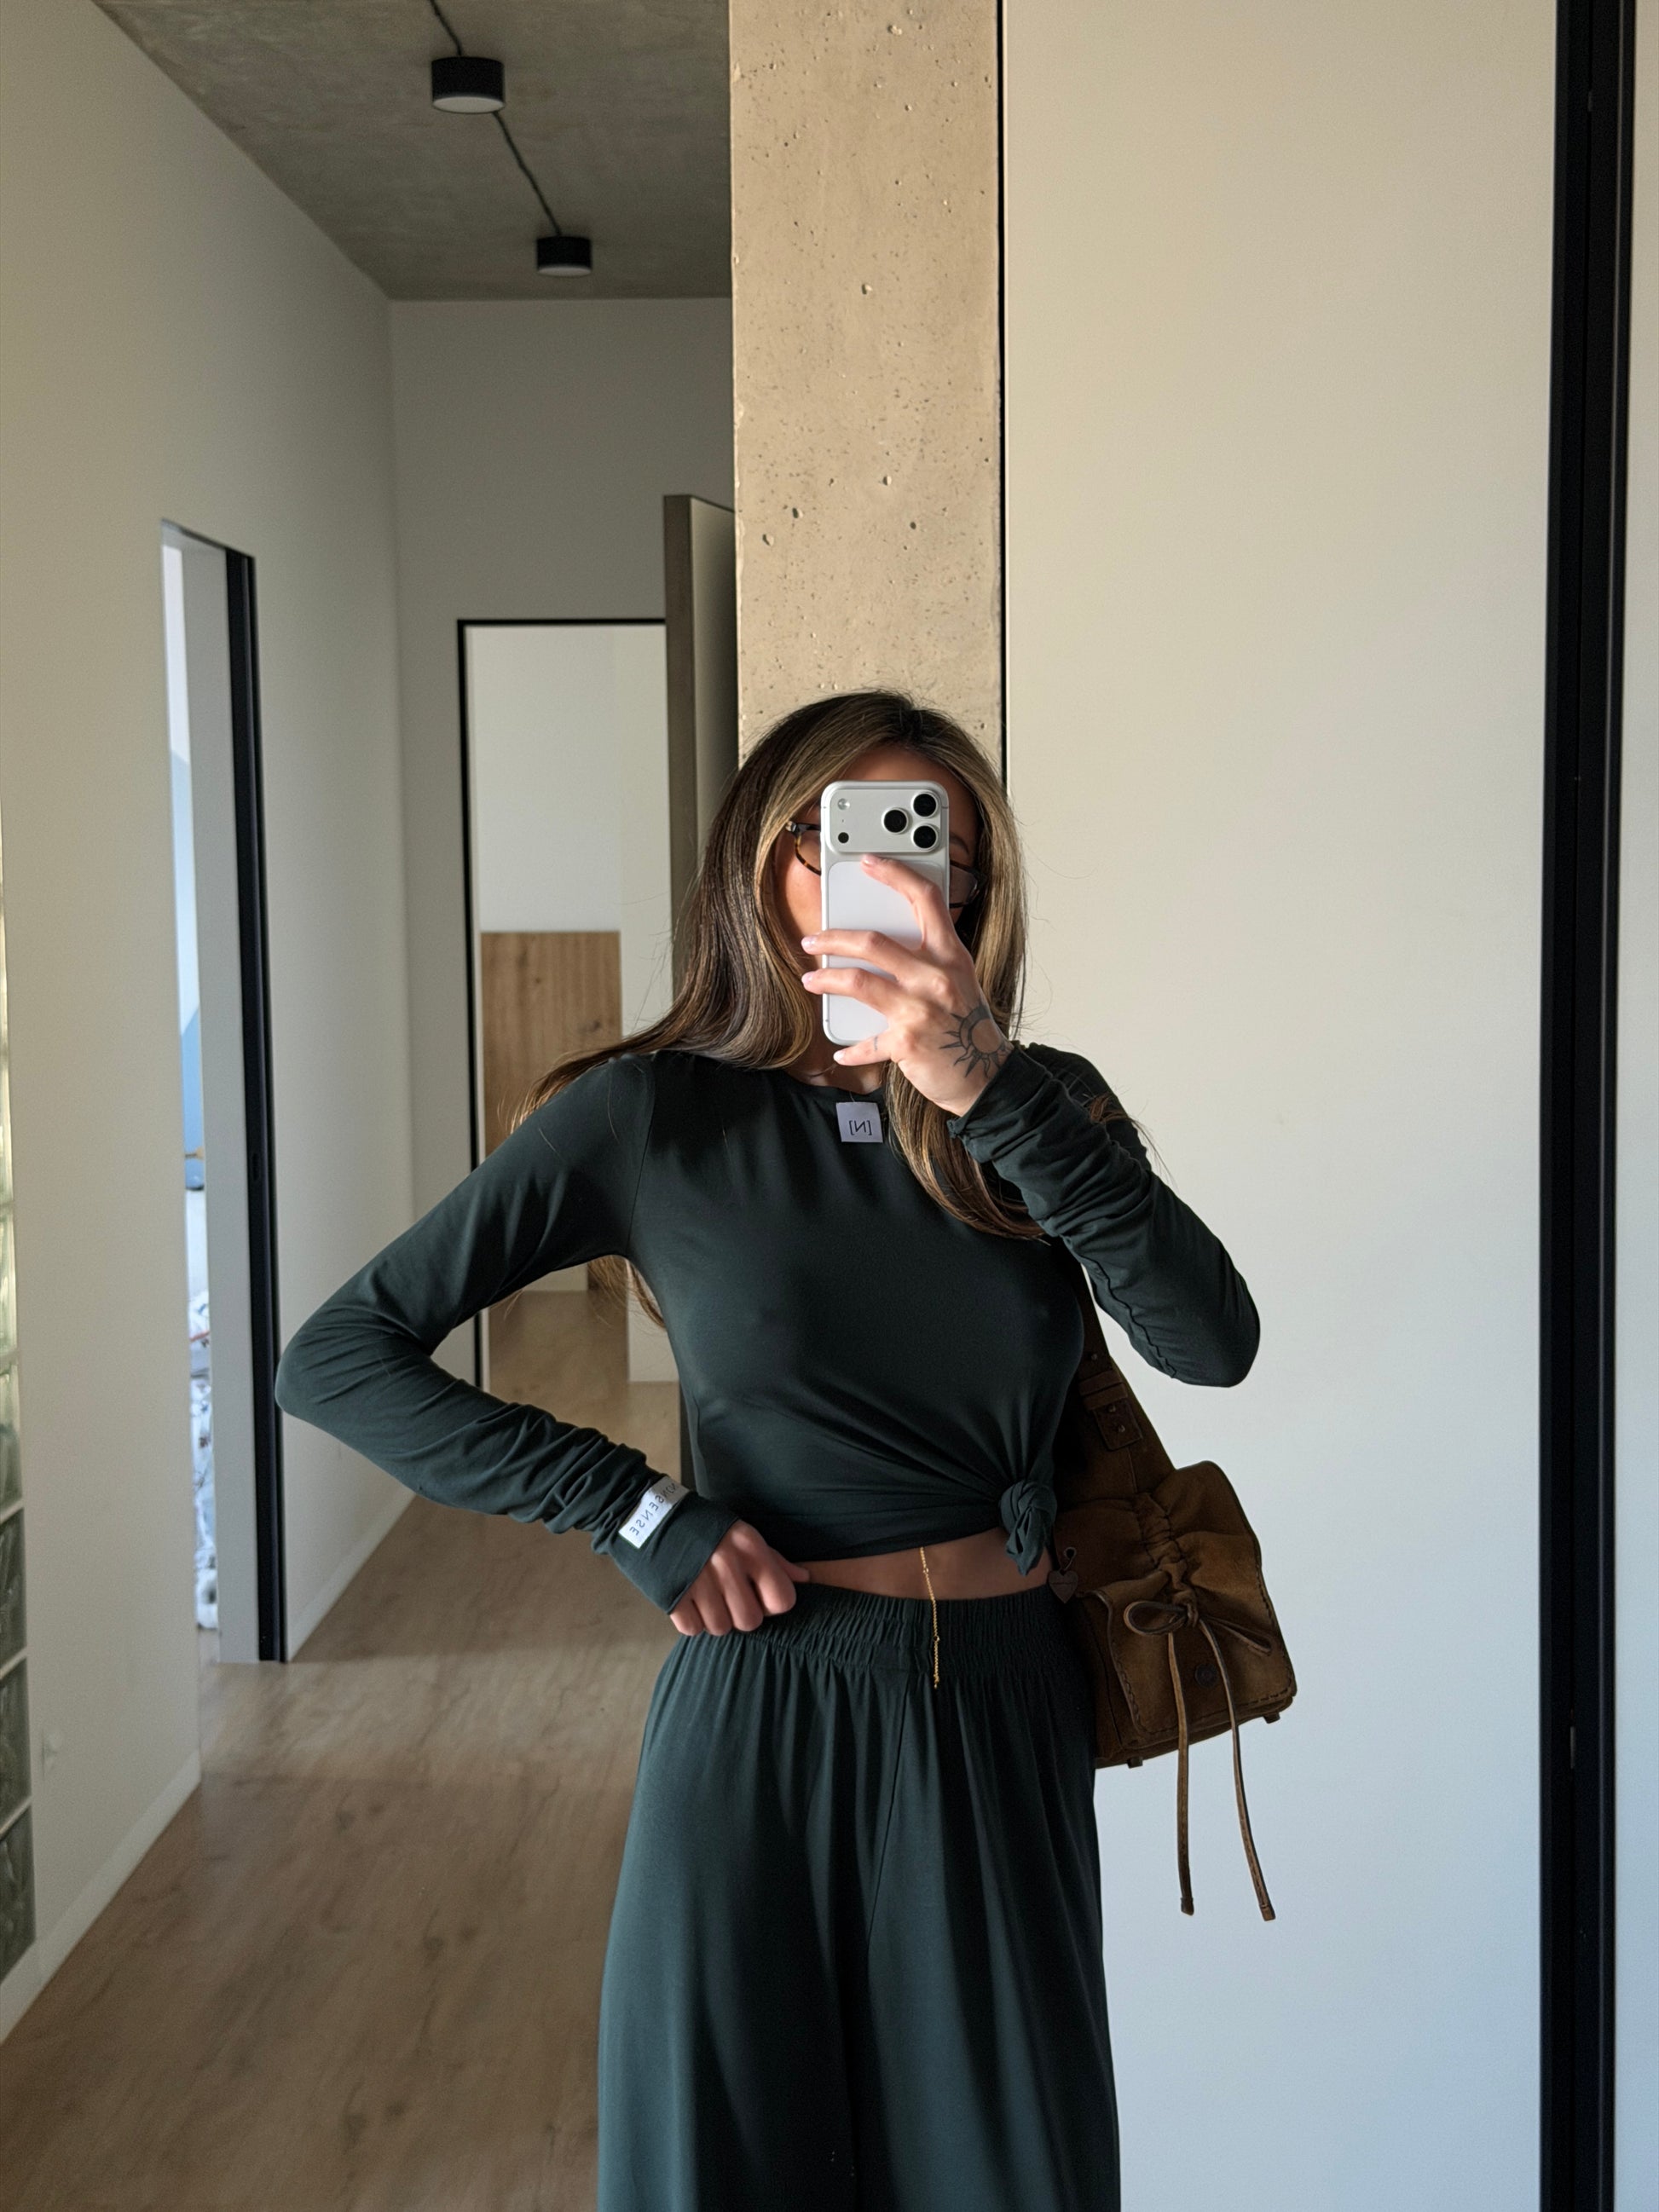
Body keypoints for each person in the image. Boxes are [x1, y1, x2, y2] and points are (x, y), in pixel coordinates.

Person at [275, 689, 1259, 2212]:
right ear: (762, 858)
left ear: (973, 894)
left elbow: (1210, 1342)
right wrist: (629, 1509)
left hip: (1006, 1711)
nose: (896, 875)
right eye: (845, 834)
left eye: (936, 850)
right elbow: (338, 1355)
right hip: (768, 1707)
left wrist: (987, 1086)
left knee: (1011, 2171)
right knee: (734, 2166)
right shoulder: (651, 1117)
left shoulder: (1041, 1106)